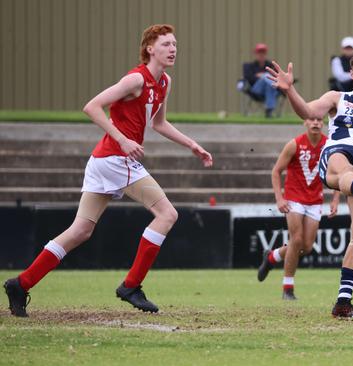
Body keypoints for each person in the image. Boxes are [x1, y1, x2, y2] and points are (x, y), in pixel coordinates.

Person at [3, 24, 213, 317]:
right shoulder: (135, 79)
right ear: (149, 48)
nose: (173, 48)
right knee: (167, 214)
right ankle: (131, 285)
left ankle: (20, 283)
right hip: (115, 159)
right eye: (166, 44)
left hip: (103, 161)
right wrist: (123, 139)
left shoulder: (164, 82)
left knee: (80, 230)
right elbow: (92, 107)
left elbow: (159, 123)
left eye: (175, 43)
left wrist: (192, 144)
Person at [266, 50, 353, 318]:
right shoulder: (337, 98)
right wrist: (289, 90)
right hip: (338, 155)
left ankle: (343, 302)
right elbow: (307, 111)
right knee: (343, 168)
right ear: (351, 74)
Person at [257, 118, 340, 300]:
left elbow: (336, 173)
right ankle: (288, 288)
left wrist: (335, 199)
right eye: (312, 119)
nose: (316, 123)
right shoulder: (294, 145)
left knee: (307, 246)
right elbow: (276, 171)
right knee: (296, 239)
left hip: (315, 200)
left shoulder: (329, 145)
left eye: (319, 119)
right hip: (294, 198)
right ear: (305, 123)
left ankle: (272, 257)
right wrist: (279, 198)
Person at [243, 43, 279, 118]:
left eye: (263, 52)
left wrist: (260, 75)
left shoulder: (271, 65)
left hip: (269, 89)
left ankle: (269, 111)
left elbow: (278, 76)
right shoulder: (250, 66)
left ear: (265, 54)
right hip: (256, 90)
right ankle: (276, 87)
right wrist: (262, 76)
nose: (261, 54)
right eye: (259, 52)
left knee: (269, 85)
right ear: (256, 54)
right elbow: (248, 78)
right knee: (266, 76)